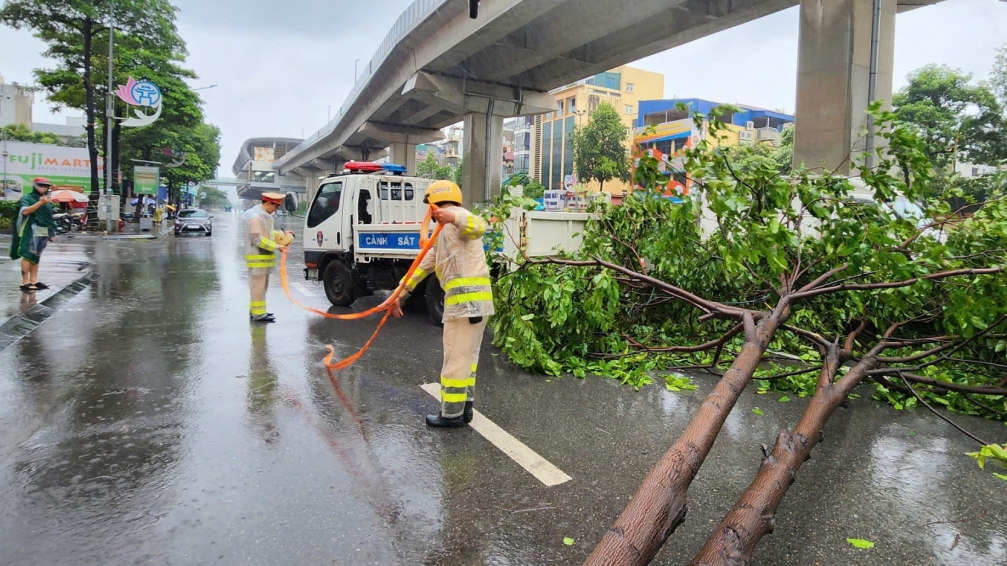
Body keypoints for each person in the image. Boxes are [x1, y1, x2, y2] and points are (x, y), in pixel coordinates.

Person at [390, 180, 494, 428]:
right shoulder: (443, 232)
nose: (430, 211)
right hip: (474, 305)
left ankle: (451, 415)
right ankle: (465, 409)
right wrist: (398, 293)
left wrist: (453, 216)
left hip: (465, 306)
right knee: (467, 359)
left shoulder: (458, 217)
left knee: (455, 360)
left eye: (431, 206)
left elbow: (479, 226)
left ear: (437, 202)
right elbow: (423, 264)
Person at [245, 192, 293, 323]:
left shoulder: (263, 216)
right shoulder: (256, 217)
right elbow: (257, 239)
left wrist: (282, 235)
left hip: (263, 259)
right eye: (275, 206)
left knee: (261, 287)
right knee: (258, 288)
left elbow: (268, 234)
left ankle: (257, 312)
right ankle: (258, 315)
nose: (275, 210)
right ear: (267, 203)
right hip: (258, 259)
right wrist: (277, 247)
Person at [9, 177, 56, 292]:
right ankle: (25, 281)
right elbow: (25, 211)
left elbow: (49, 217)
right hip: (30, 230)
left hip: (43, 230)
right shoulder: (27, 198)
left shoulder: (47, 201)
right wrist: (40, 203)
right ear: (35, 186)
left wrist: (52, 232)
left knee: (37, 255)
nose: (44, 188)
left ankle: (34, 280)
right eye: (41, 185)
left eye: (46, 186)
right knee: (28, 254)